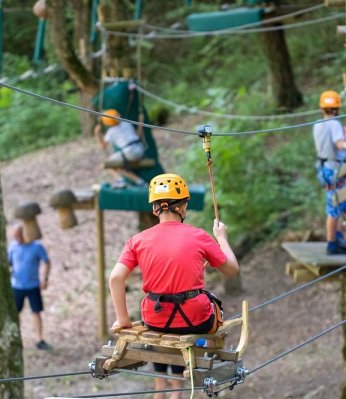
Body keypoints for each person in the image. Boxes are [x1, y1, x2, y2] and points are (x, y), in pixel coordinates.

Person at [109, 173, 239, 399]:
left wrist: (123, 320)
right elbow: (231, 270)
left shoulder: (137, 240)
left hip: (155, 318)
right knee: (210, 308)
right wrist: (221, 237)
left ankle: (165, 389)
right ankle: (181, 382)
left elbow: (115, 278)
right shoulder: (199, 236)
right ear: (182, 207)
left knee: (164, 321)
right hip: (195, 319)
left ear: (155, 209)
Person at [313, 90, 346, 255]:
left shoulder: (318, 125)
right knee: (334, 207)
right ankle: (332, 243)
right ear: (337, 107)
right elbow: (341, 145)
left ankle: (338, 237)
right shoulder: (334, 124)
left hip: (325, 168)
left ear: (322, 108)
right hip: (333, 169)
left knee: (341, 204)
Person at [8, 224, 52, 350]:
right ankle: (16, 339)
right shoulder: (12, 247)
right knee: (15, 313)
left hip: (33, 286)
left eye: (17, 235)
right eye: (14, 236)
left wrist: (45, 279)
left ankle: (39, 339)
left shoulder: (36, 246)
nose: (16, 238)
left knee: (36, 312)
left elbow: (47, 262)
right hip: (16, 286)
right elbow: (9, 263)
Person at [94, 109, 147, 187]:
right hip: (140, 149)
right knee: (119, 167)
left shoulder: (111, 131)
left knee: (107, 164)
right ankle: (140, 182)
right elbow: (138, 135)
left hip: (129, 152)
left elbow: (103, 146)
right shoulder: (126, 123)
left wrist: (97, 133)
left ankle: (120, 180)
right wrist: (141, 123)